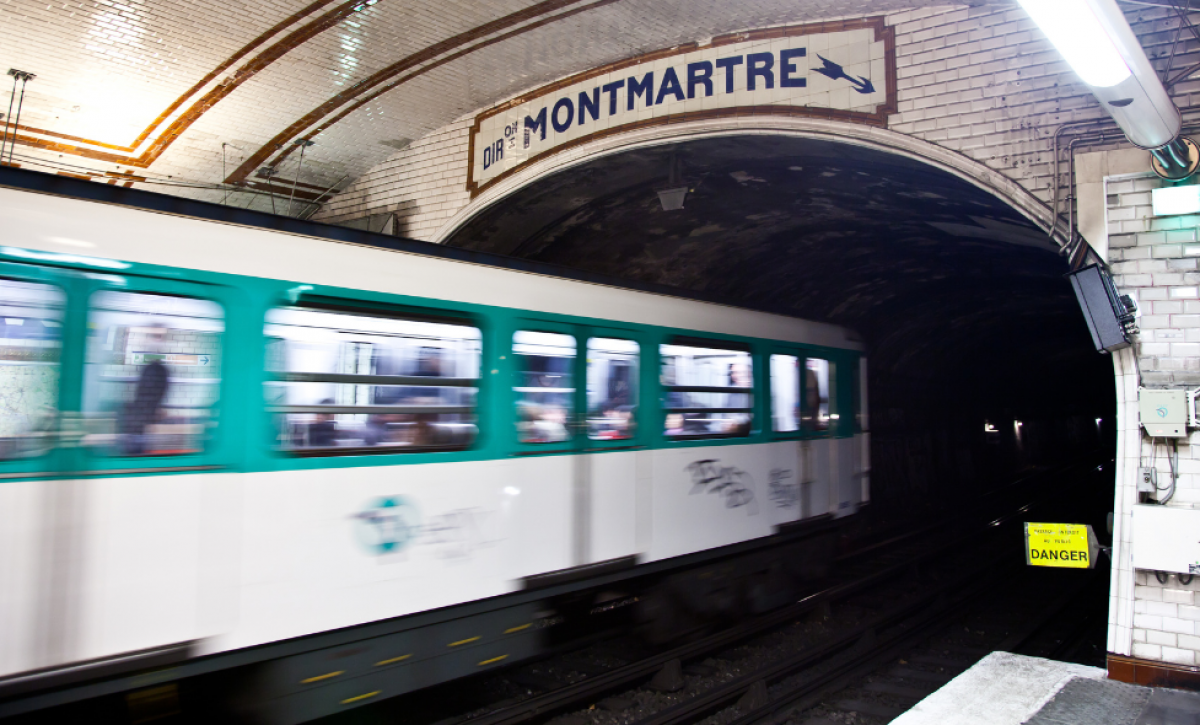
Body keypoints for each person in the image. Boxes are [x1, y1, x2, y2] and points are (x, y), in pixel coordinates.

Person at [118, 326, 170, 455]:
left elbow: (149, 389)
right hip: (146, 408)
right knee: (140, 432)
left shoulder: (155, 369)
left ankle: (136, 449)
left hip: (144, 407)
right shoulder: (156, 369)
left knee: (138, 432)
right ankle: (137, 448)